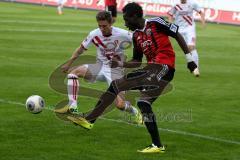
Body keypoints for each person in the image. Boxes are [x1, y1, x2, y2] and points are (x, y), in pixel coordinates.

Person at [67, 2, 199, 153]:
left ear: (135, 16)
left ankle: (90, 119)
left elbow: (177, 34)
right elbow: (136, 60)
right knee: (138, 99)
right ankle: (157, 145)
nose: (125, 23)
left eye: (126, 19)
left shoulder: (156, 22)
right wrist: (120, 63)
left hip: (164, 67)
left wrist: (190, 60)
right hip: (151, 69)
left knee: (125, 89)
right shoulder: (136, 35)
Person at [54, 11, 142, 124]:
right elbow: (80, 49)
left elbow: (139, 40)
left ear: (111, 23)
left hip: (115, 72)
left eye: (104, 26)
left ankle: (135, 112)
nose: (101, 28)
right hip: (100, 67)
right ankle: (73, 106)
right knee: (73, 73)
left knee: (120, 105)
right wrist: (69, 63)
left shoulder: (122, 34)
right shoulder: (94, 34)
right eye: (99, 26)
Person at [168, 0, 205, 76]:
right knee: (183, 48)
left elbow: (201, 12)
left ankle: (196, 68)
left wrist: (203, 22)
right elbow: (170, 14)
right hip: (179, 29)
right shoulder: (176, 5)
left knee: (191, 47)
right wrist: (170, 25)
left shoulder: (192, 3)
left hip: (189, 28)